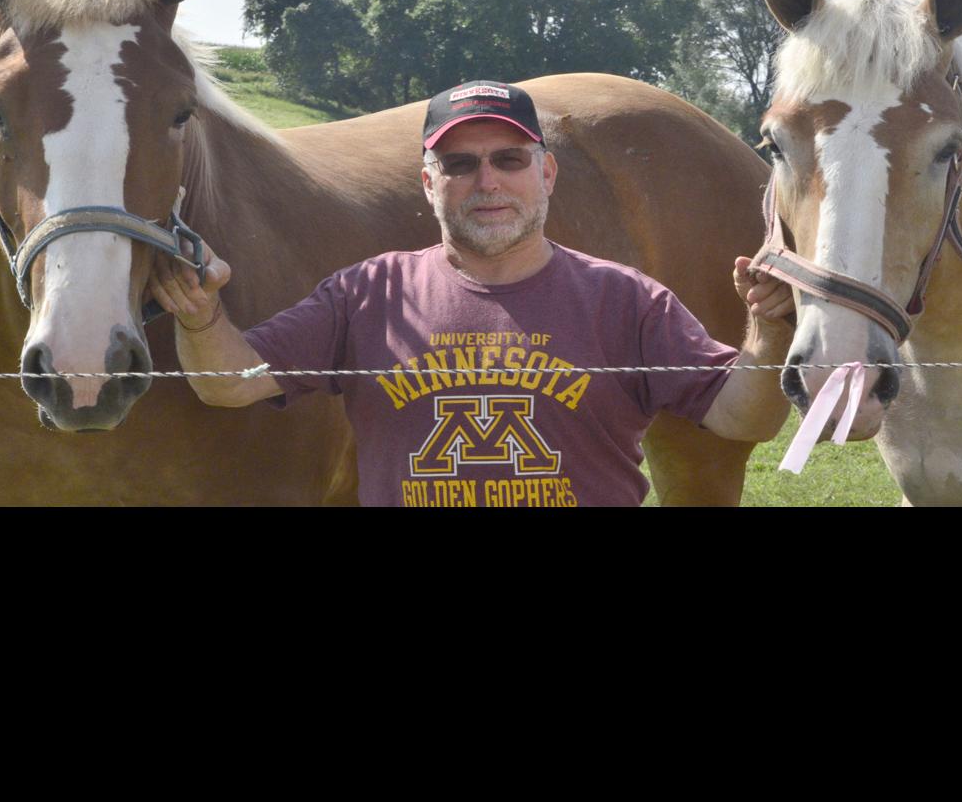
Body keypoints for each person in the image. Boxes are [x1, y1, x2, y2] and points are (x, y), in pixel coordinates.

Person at [148, 80, 793, 507]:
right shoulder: (369, 294)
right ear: (428, 184)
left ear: (546, 173)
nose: (486, 182)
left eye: (508, 160)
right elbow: (229, 384)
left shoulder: (624, 299)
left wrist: (764, 333)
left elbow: (746, 418)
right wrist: (202, 316)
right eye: (458, 165)